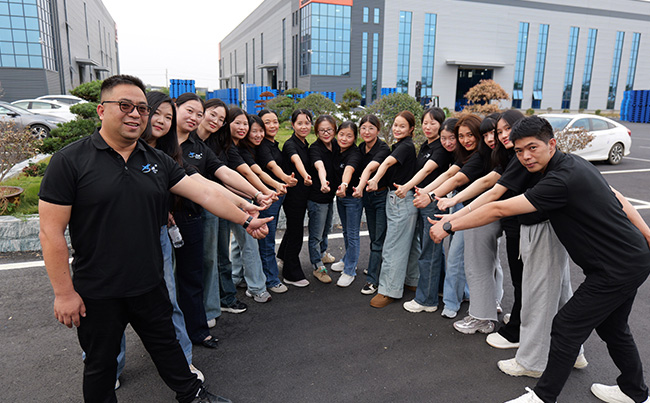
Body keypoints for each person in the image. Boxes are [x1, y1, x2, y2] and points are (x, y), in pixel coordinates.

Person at [39, 74, 271, 403]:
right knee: (100, 365)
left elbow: (205, 192)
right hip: (98, 289)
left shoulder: (157, 160)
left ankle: (193, 396)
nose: (136, 114)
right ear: (101, 110)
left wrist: (245, 218)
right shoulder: (70, 161)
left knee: (168, 347)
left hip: (148, 283)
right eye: (125, 106)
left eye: (141, 108)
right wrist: (64, 293)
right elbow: (50, 232)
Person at [429, 115, 650, 403]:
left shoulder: (561, 179)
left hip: (616, 268)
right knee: (613, 328)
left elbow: (498, 208)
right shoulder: (573, 164)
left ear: (552, 144)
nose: (526, 156)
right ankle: (635, 392)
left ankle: (543, 398)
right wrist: (646, 233)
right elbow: (616, 195)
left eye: (533, 148)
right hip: (628, 259)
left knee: (567, 326)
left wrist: (449, 226)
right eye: (520, 151)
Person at [394, 107, 453, 313]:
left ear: (441, 125)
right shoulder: (426, 146)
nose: (428, 127)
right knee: (433, 249)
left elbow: (427, 170)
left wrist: (406, 187)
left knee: (429, 251)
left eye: (433, 123)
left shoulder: (441, 148)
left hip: (433, 203)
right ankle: (439, 289)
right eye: (425, 123)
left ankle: (426, 300)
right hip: (423, 201)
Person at [366, 110, 419, 308]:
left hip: (401, 200)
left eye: (402, 126)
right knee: (408, 244)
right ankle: (412, 281)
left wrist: (374, 180)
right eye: (395, 125)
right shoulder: (401, 145)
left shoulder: (405, 146)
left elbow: (387, 162)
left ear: (411, 129)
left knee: (393, 246)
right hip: (402, 199)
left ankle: (389, 290)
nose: (397, 129)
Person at [257, 109, 298, 293]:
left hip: (277, 194)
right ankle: (271, 280)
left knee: (267, 237)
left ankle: (260, 274)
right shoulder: (262, 146)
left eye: (275, 121)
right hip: (269, 196)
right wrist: (285, 179)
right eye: (267, 122)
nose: (273, 125)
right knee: (267, 239)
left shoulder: (273, 144)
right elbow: (271, 166)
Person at [352, 115, 391, 295]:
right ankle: (375, 266)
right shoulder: (360, 148)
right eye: (363, 128)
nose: (366, 132)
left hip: (381, 196)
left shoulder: (383, 148)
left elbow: (370, 168)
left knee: (378, 239)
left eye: (371, 128)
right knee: (374, 235)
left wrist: (360, 187)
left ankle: (373, 281)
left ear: (378, 130)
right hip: (367, 197)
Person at [277, 109, 313, 287]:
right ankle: (291, 274)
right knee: (296, 232)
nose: (304, 127)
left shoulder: (305, 143)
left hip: (302, 194)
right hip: (293, 196)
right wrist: (305, 175)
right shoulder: (290, 144)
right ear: (293, 125)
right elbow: (296, 160)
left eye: (307, 123)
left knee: (293, 229)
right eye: (299, 123)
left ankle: (283, 256)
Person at [307, 114, 340, 284]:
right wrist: (323, 181)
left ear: (334, 130)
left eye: (329, 130)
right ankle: (317, 266)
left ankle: (322, 253)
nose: (326, 133)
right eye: (322, 130)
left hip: (329, 196)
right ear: (316, 132)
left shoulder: (336, 144)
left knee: (327, 228)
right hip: (318, 197)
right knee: (316, 234)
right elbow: (320, 166)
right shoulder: (315, 148)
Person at [331, 121, 362, 287]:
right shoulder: (336, 148)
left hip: (352, 198)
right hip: (340, 197)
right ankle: (347, 259)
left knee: (352, 233)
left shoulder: (354, 153)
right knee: (345, 232)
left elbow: (349, 169)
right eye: (341, 134)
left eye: (349, 136)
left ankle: (350, 271)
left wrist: (344, 184)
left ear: (355, 138)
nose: (344, 138)